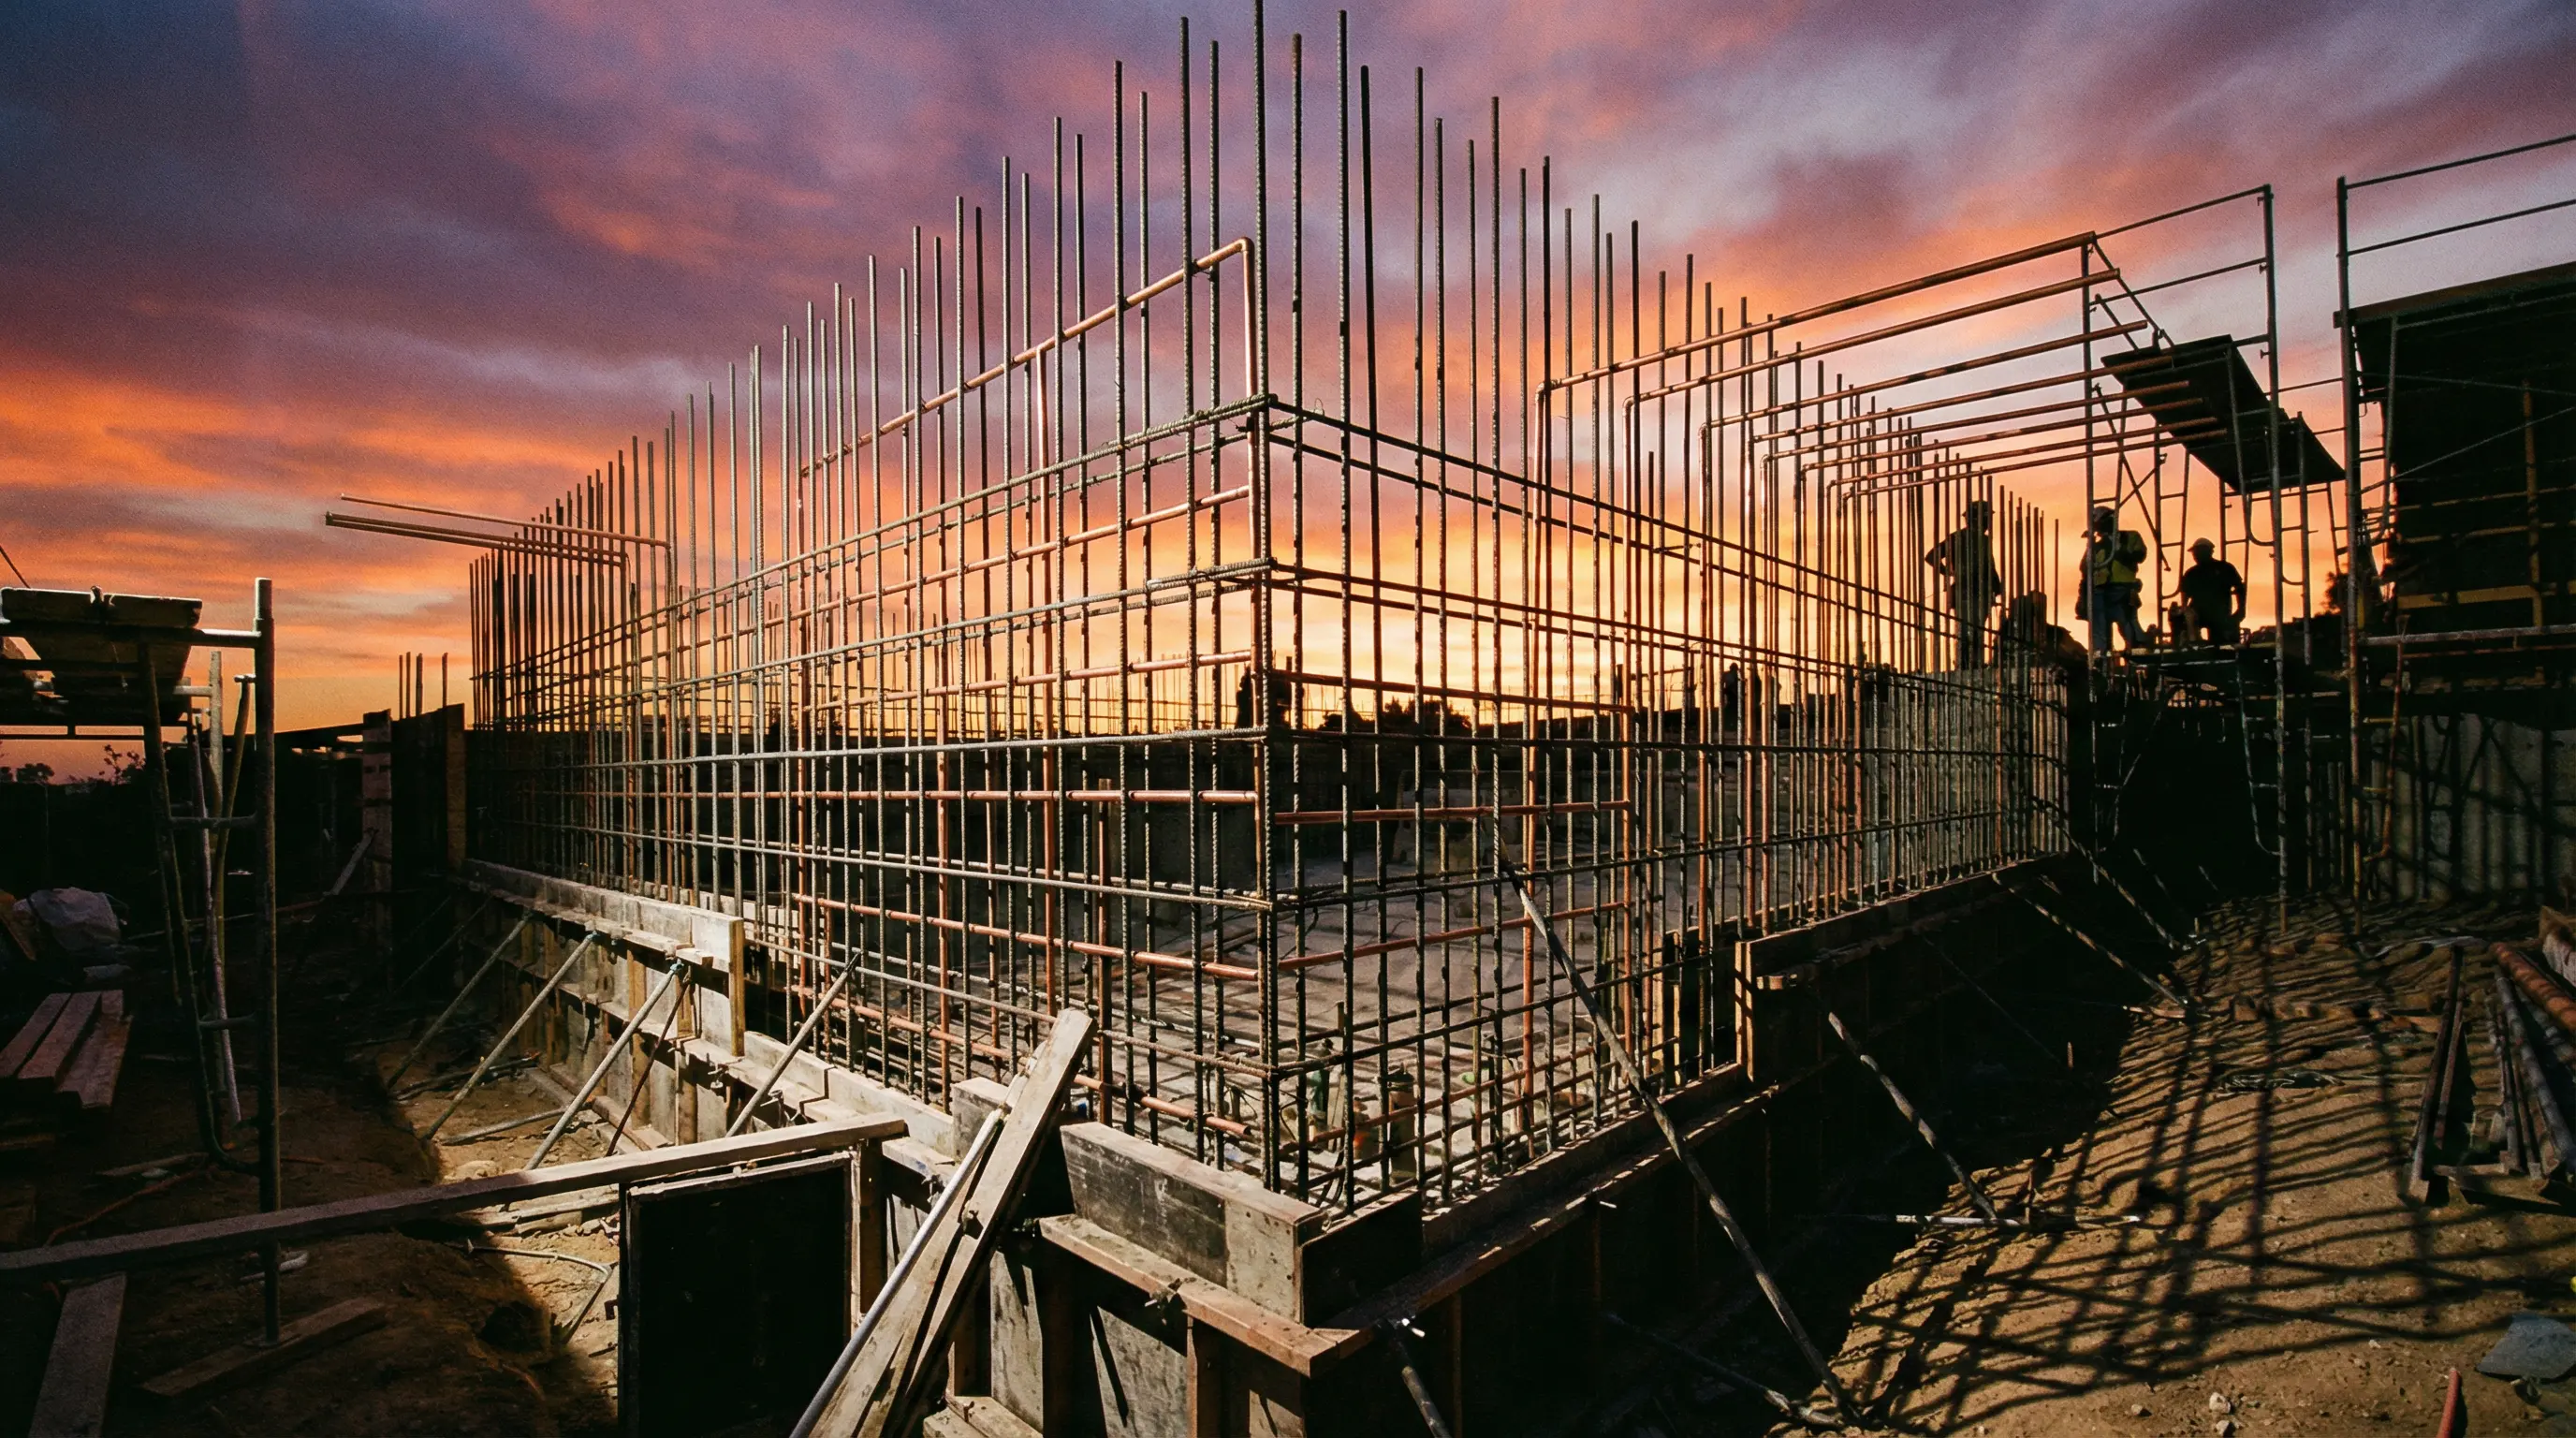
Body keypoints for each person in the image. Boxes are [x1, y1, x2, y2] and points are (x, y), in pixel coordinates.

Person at [1925, 499, 2003, 668]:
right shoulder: (1964, 538)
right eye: (1987, 519)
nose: (1989, 523)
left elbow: (1931, 557)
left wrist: (1948, 572)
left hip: (1972, 591)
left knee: (1971, 630)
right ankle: (1967, 665)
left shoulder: (1967, 538)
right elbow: (1931, 557)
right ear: (1977, 519)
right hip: (1971, 591)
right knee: (1971, 631)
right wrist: (1949, 572)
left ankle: (1969, 664)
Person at [2081, 506, 2149, 653]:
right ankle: (2101, 652)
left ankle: (2138, 645)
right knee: (2100, 623)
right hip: (2100, 589)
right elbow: (2085, 568)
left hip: (2122, 587)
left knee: (2125, 619)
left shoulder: (2129, 537)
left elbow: (2139, 556)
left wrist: (2117, 548)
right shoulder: (2097, 546)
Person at [2178, 538, 2246, 646]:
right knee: (2185, 623)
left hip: (2220, 613)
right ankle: (2192, 643)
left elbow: (2240, 588)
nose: (2195, 555)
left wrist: (2241, 609)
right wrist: (2185, 611)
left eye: (2198, 552)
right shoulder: (2191, 573)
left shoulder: (2224, 568)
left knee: (2220, 642)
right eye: (2194, 553)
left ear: (2208, 551)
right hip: (2200, 612)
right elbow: (2185, 595)